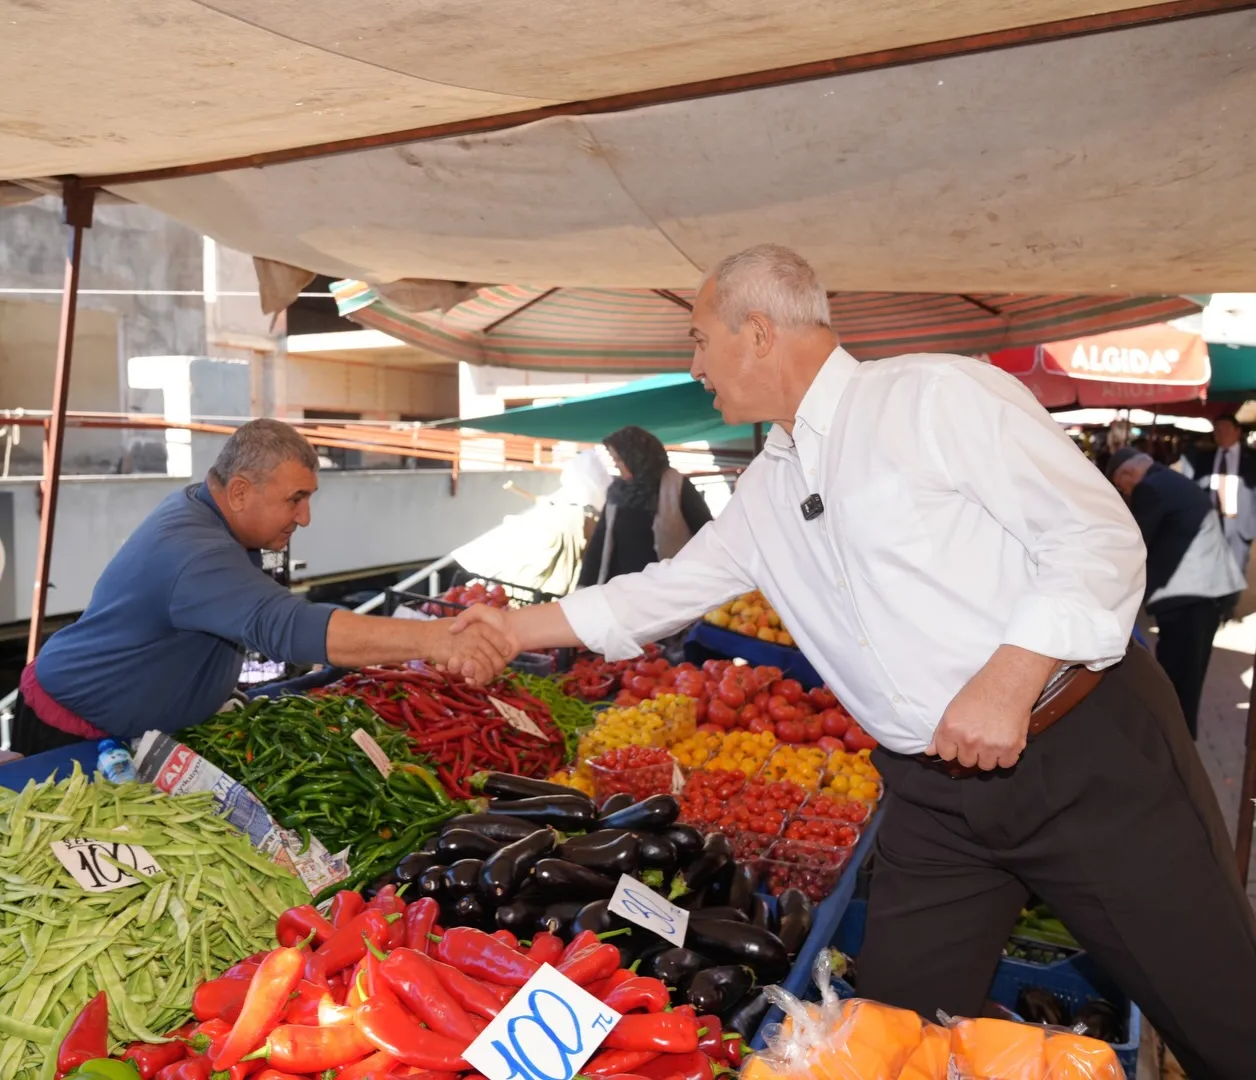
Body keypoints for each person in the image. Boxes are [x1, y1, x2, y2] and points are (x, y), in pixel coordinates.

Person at [457, 245, 1256, 1078]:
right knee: (884, 1042)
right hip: (934, 798)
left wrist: (1010, 676)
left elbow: (1097, 536)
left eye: (698, 340)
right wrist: (510, 630)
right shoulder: (767, 487)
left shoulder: (935, 396)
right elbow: (659, 594)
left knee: (1223, 1018)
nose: (694, 367)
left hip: (1081, 754)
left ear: (757, 332)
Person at [12, 419, 512, 753]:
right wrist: (437, 639)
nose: (305, 517)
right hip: (71, 731)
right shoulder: (196, 552)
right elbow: (286, 626)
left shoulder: (206, 508)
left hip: (134, 728)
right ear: (238, 491)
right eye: (295, 499)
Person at [1107, 448, 1244, 737]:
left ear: (1128, 474)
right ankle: (1182, 739)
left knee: (1174, 680)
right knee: (1188, 679)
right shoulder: (1170, 479)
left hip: (1187, 598)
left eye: (1121, 486)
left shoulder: (1150, 488)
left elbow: (1135, 543)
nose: (1125, 492)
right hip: (1206, 593)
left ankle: (1174, 743)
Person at [578, 426, 712, 587]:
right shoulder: (617, 493)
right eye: (615, 460)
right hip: (622, 589)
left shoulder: (675, 486)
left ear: (636, 456)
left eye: (620, 460)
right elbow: (599, 543)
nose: (617, 466)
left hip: (665, 589)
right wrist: (583, 586)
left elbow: (706, 534)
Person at [1182, 413, 1256, 591]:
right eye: (1217, 430)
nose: (1221, 434)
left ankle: (1229, 602)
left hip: (1240, 524)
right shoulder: (1205, 458)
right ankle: (1215, 601)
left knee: (1236, 571)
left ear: (1237, 432)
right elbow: (1196, 487)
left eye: (1225, 429)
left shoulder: (1252, 459)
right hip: (1211, 522)